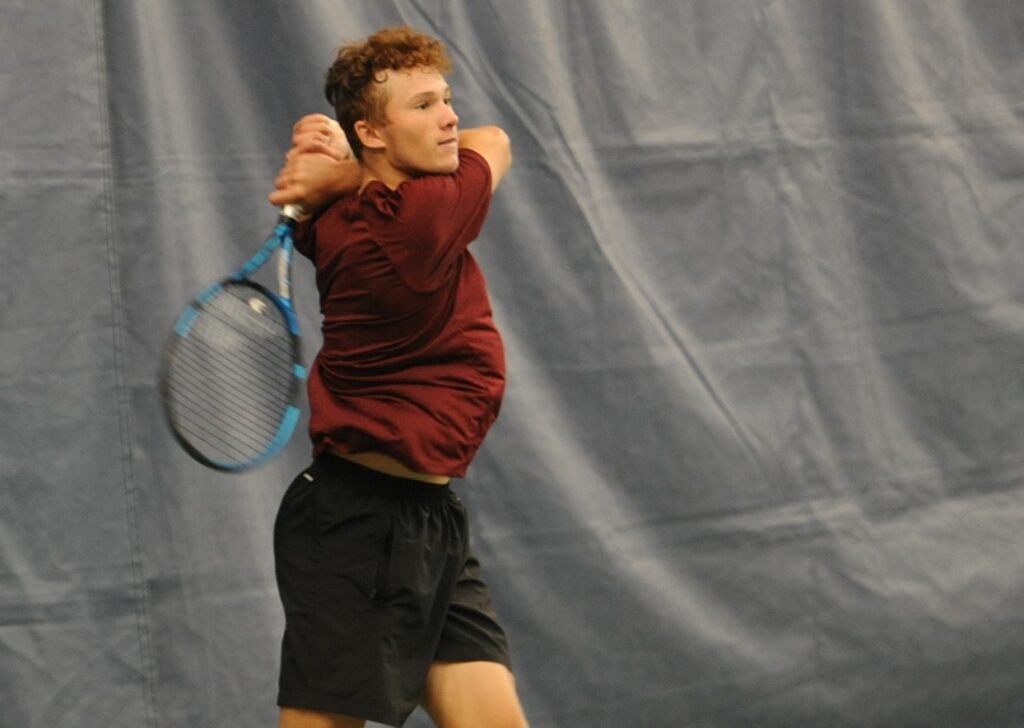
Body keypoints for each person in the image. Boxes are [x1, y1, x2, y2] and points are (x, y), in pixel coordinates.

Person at [266, 26, 528, 728]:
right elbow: (497, 142)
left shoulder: (346, 213)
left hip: (428, 521)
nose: (449, 117)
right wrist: (341, 165)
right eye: (423, 106)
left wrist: (338, 166)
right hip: (355, 524)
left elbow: (331, 189)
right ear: (372, 132)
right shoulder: (422, 219)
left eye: (448, 99)